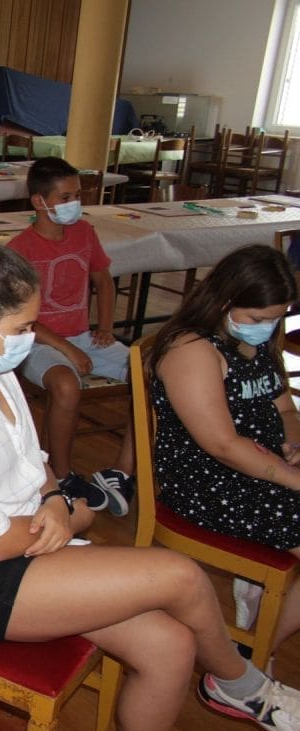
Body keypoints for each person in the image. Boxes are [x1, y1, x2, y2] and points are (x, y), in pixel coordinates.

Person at [0, 243, 300, 731]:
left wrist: (57, 500)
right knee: (180, 576)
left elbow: (33, 463)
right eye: (24, 327)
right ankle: (241, 685)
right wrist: (72, 516)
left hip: (27, 541)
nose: (31, 338)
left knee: (170, 647)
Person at [148, 243, 300, 665]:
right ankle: (249, 656)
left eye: (276, 319)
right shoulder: (191, 350)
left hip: (261, 468)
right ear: (225, 302)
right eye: (258, 319)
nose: (268, 329)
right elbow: (222, 445)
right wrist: (291, 477)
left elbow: (285, 409)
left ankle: (256, 641)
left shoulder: (253, 343)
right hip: (208, 482)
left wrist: (294, 446)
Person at [7, 156, 135, 515]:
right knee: (66, 384)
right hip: (37, 341)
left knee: (153, 373)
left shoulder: (84, 233)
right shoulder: (20, 250)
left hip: (83, 335)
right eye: (65, 197)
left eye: (77, 195)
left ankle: (123, 470)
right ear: (39, 201)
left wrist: (105, 327)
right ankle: (61, 475)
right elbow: (20, 319)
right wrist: (67, 349)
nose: (74, 203)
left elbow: (103, 281)